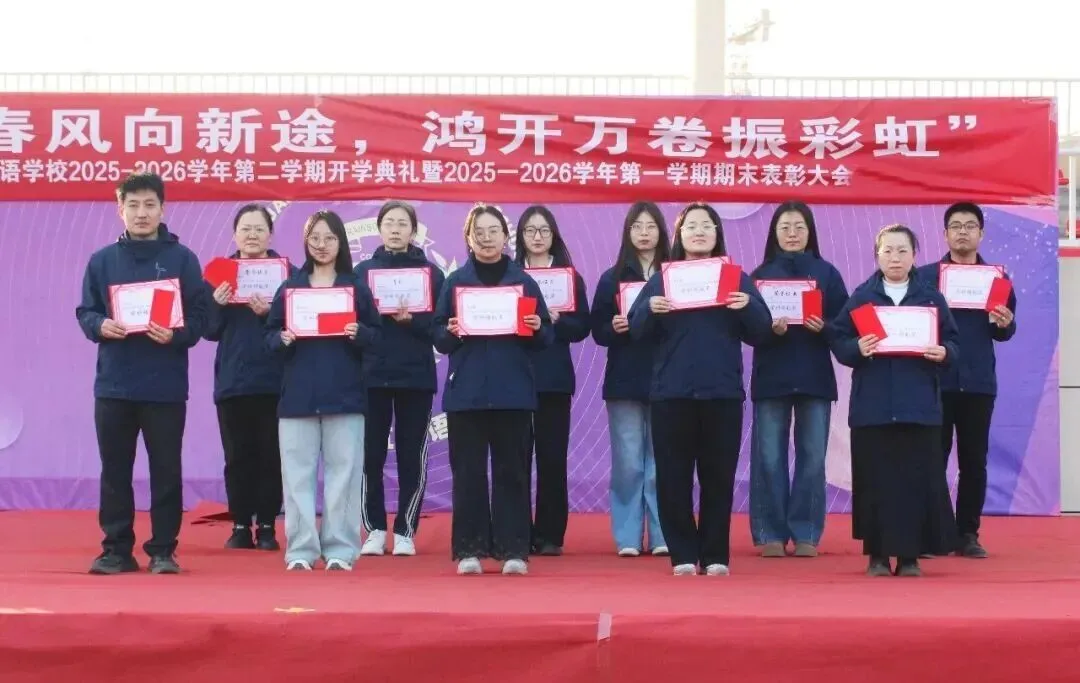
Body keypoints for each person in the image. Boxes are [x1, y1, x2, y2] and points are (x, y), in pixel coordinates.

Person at [628, 202, 773, 576]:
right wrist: (649, 309)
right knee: (673, 478)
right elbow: (636, 328)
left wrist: (748, 306)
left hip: (721, 393)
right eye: (691, 225)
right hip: (671, 394)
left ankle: (714, 555)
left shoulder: (734, 278)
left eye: (707, 225)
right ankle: (682, 554)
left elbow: (762, 331)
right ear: (679, 234)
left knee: (718, 478)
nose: (699, 231)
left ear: (716, 234)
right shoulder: (663, 279)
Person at [75, 172, 209, 575]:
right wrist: (100, 325)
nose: (141, 213)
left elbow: (200, 317)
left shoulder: (182, 259)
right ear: (120, 210)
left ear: (162, 209)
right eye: (132, 205)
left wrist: (176, 334)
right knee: (115, 470)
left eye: (150, 204)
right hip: (114, 385)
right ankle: (116, 549)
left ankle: (163, 550)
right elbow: (86, 311)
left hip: (165, 386)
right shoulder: (102, 261)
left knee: (166, 470)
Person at [831, 224, 960, 577]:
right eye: (887, 250)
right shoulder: (862, 297)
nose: (895, 257)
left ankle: (909, 557)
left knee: (914, 482)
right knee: (875, 481)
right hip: (872, 407)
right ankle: (876, 555)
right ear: (877, 256)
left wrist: (945, 352)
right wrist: (855, 348)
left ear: (914, 255)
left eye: (902, 250)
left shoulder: (931, 298)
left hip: (918, 406)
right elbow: (838, 339)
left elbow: (954, 342)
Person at [432, 204, 553, 575]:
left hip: (512, 392)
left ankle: (513, 549)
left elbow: (545, 337)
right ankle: (469, 550)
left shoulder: (523, 282)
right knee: (468, 474)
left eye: (493, 231)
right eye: (479, 232)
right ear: (468, 239)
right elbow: (438, 336)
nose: (486, 239)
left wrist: (537, 327)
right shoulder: (456, 282)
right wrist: (450, 331)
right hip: (466, 394)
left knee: (512, 472)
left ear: (505, 236)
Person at [265, 210, 382, 571]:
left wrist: (361, 334)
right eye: (314, 238)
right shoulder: (290, 288)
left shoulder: (355, 288)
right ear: (305, 242)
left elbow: (377, 338)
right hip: (298, 396)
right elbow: (268, 337)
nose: (321, 244)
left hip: (345, 395)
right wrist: (281, 339)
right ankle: (300, 549)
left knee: (344, 475)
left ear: (340, 243)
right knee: (296, 477)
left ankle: (340, 549)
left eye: (329, 238)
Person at [748, 202, 849, 558]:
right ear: (774, 233)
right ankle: (770, 533)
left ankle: (806, 532)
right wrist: (767, 329)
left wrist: (825, 328)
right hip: (771, 378)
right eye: (785, 227)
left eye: (799, 227)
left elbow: (845, 325)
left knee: (812, 458)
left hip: (814, 378)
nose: (792, 234)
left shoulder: (827, 274)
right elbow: (746, 328)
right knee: (769, 458)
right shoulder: (759, 275)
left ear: (810, 233)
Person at [916, 202, 1017, 558]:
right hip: (936, 381)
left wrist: (1004, 323)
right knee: (933, 460)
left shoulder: (997, 280)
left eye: (970, 225)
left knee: (974, 462)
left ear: (981, 233)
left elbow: (1003, 331)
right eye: (956, 226)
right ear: (945, 234)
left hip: (978, 382)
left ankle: (967, 533)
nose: (962, 231)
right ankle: (934, 534)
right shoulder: (925, 278)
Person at [355, 200, 446, 557]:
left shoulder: (431, 274)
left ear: (413, 230)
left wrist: (414, 321)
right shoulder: (362, 272)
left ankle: (406, 529)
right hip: (372, 375)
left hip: (415, 376)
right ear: (379, 228)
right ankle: (374, 529)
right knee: (369, 456)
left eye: (402, 223)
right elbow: (353, 323)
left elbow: (440, 328)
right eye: (389, 223)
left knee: (412, 456)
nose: (395, 229)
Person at [205, 204, 295, 551]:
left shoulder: (288, 274)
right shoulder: (218, 273)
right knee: (237, 457)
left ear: (270, 234)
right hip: (234, 380)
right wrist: (217, 303)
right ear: (235, 234)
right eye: (246, 229)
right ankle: (241, 524)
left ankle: (268, 525)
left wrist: (271, 311)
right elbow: (209, 330)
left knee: (272, 455)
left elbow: (298, 322)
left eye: (259, 229)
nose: (252, 235)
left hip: (275, 380)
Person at [590, 202, 670, 557]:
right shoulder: (612, 278)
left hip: (667, 377)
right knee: (628, 462)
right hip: (624, 378)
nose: (644, 233)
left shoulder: (675, 276)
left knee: (662, 461)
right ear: (627, 232)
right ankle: (627, 536)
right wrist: (614, 326)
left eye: (650, 226)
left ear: (662, 232)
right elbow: (597, 330)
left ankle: (663, 533)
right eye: (637, 226)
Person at [513, 205, 590, 556]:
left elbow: (582, 327)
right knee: (515, 459)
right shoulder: (510, 276)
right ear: (520, 236)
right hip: (514, 378)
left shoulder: (569, 278)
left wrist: (557, 321)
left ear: (554, 235)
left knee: (552, 459)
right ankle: (517, 532)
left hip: (554, 379)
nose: (537, 237)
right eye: (530, 230)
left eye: (544, 230)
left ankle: (549, 535)